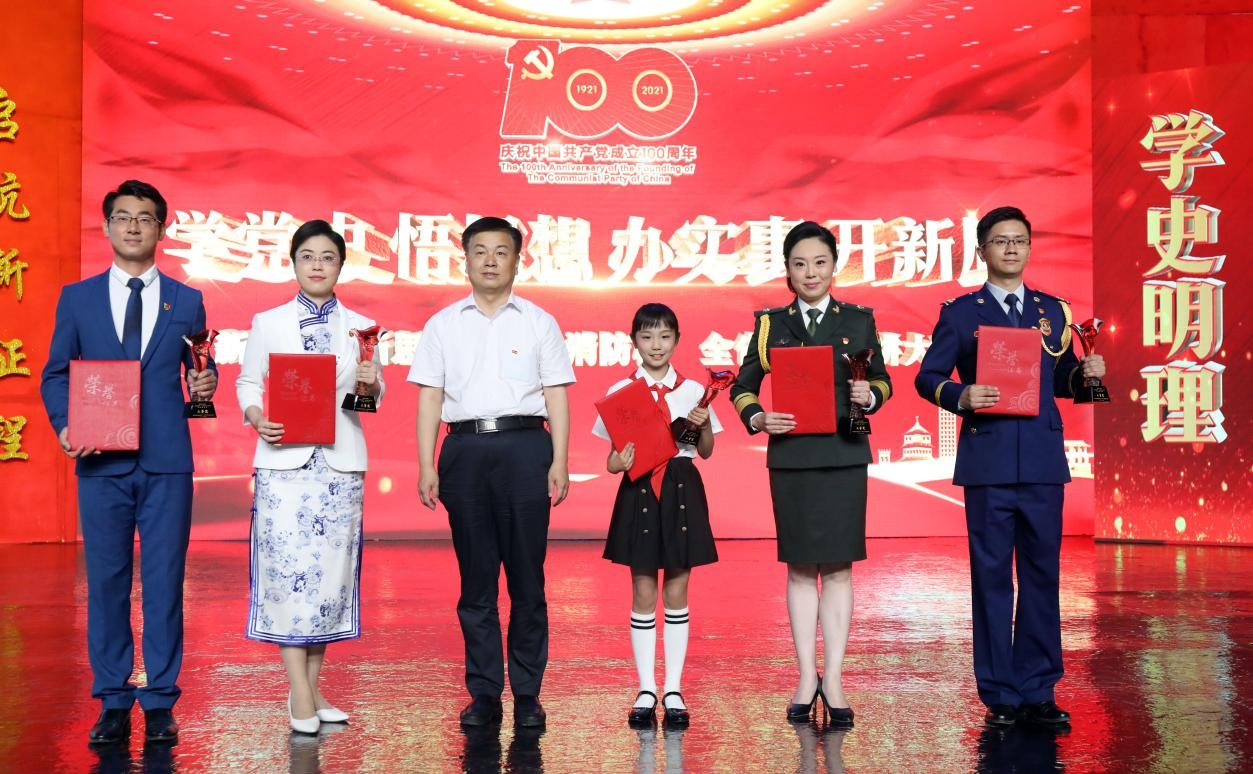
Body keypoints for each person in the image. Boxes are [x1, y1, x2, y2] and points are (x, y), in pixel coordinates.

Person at [39, 180, 217, 744]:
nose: (133, 226)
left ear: (161, 229)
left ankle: (160, 700)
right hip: (101, 461)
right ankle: (113, 698)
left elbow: (199, 370)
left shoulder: (186, 300)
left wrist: (206, 383)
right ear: (108, 226)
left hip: (166, 462)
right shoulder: (78, 298)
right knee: (107, 583)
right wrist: (66, 425)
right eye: (123, 217)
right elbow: (56, 373)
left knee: (165, 582)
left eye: (144, 218)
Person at [914, 206, 1105, 728]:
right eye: (1001, 240)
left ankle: (1038, 688)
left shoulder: (1053, 311)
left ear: (1029, 247)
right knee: (992, 579)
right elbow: (927, 377)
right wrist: (960, 395)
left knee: (1043, 577)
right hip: (989, 462)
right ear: (982, 251)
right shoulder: (961, 313)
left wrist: (1086, 375)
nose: (1012, 248)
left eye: (1020, 239)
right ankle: (1000, 692)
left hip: (1042, 462)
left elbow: (1063, 381)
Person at [409, 216, 575, 729]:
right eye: (479, 251)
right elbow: (431, 396)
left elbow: (556, 394)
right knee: (476, 581)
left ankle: (527, 692)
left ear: (517, 261)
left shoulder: (539, 322)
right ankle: (483, 692)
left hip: (526, 449)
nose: (489, 260)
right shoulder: (443, 324)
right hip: (464, 451)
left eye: (501, 251)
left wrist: (560, 459)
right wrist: (426, 463)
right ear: (465, 260)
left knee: (528, 579)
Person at [728, 220, 892, 728]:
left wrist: (871, 395)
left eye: (820, 262)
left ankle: (835, 679)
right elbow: (742, 386)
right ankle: (805, 677)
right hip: (793, 457)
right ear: (787, 270)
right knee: (800, 568)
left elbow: (883, 380)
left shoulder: (859, 321)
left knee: (839, 569)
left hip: (845, 455)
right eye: (800, 264)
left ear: (835, 266)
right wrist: (758, 417)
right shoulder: (771, 325)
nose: (811, 272)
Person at [235, 219, 383, 734]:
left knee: (327, 581)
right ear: (294, 262)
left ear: (341, 265)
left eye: (328, 257)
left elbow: (372, 397)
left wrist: (371, 383)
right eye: (308, 256)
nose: (317, 265)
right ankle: (300, 691)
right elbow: (248, 382)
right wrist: (257, 417)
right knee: (286, 576)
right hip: (283, 465)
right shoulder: (269, 321)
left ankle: (313, 689)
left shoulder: (362, 327)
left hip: (338, 467)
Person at [592, 303, 721, 728]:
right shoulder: (621, 391)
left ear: (677, 340)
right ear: (634, 342)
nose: (656, 345)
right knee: (643, 590)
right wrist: (620, 461)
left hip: (682, 487)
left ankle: (674, 689)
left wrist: (703, 424)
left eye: (665, 336)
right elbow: (612, 461)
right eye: (647, 337)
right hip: (641, 488)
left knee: (677, 591)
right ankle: (646, 687)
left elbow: (705, 452)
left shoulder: (694, 390)